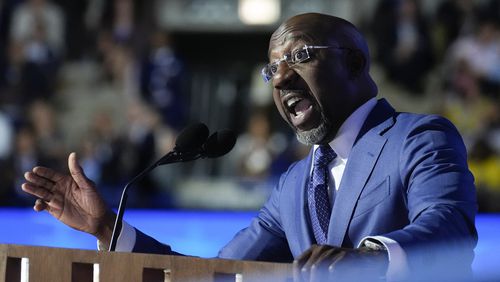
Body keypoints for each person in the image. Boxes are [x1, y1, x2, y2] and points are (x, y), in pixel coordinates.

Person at [21, 13, 477, 281]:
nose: (280, 78)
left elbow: (449, 228)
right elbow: (219, 273)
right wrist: (108, 230)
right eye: (271, 69)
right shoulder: (295, 184)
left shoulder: (416, 137)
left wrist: (371, 257)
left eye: (299, 57)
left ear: (355, 63)